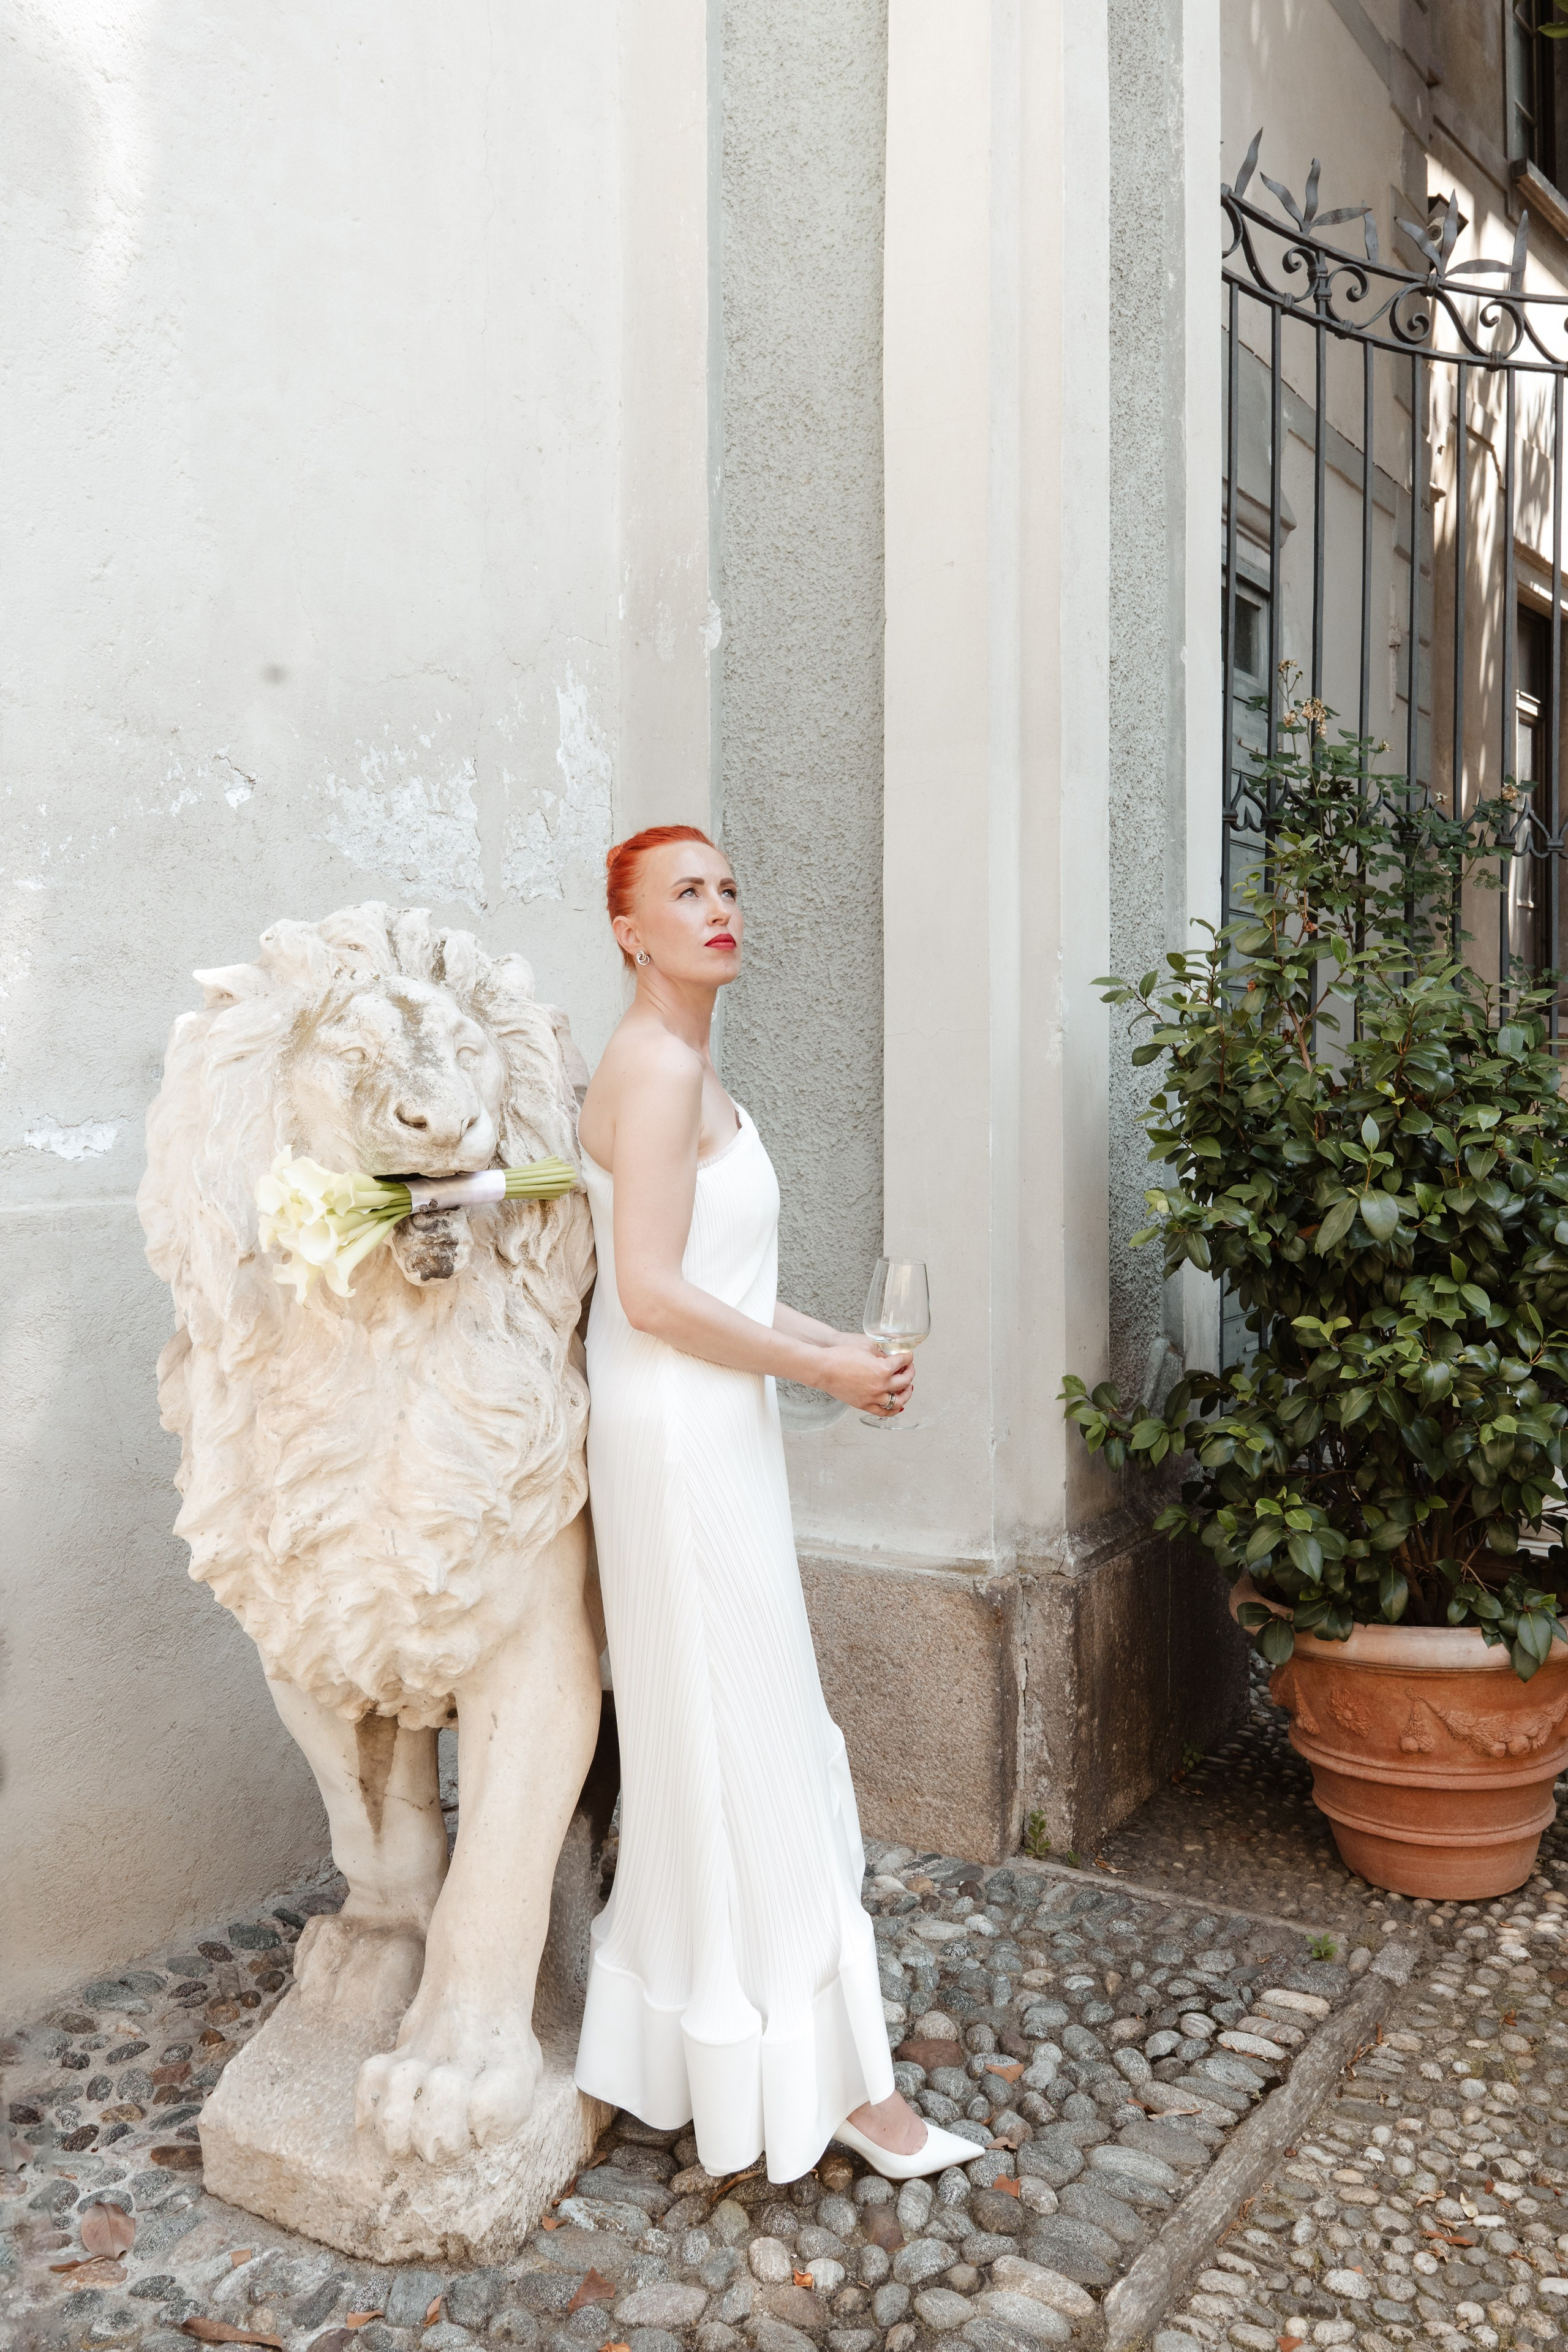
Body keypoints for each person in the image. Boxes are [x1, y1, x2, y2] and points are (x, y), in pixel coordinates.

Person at [572, 823, 974, 2184]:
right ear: (629, 931)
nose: (719, 906)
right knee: (744, 1734)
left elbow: (719, 1288)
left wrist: (833, 1364)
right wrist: (820, 1366)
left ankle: (706, 2054)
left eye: (729, 885)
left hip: (712, 1430)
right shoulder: (649, 1066)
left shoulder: (691, 1066)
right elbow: (648, 1294)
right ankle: (835, 2087)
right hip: (675, 1445)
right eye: (685, 892)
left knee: (735, 1733)